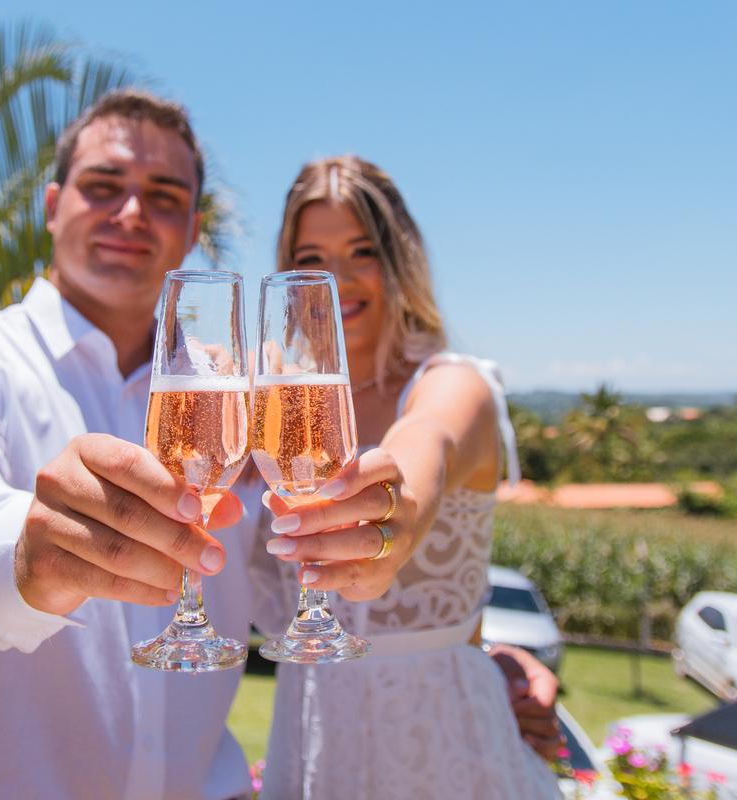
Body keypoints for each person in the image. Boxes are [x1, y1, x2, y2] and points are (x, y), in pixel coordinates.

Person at [0, 88, 557, 799]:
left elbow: (358, 523)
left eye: (163, 196)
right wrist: (22, 549)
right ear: (51, 204)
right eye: (104, 186)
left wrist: (477, 656)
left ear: (193, 227)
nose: (131, 212)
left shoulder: (242, 400)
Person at [249, 156, 563, 799]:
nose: (335, 279)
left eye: (361, 250)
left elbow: (426, 445)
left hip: (449, 757)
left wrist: (395, 513)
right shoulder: (274, 404)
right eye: (313, 257)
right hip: (310, 745)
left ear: (400, 259)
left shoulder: (455, 384)